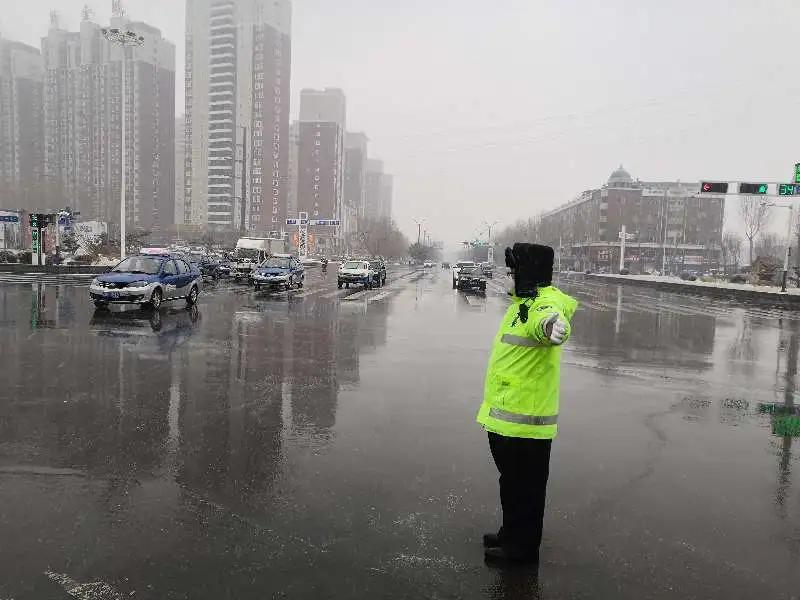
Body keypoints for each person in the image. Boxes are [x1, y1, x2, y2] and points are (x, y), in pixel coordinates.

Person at [476, 243, 578, 566]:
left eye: (514, 271)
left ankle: (522, 549)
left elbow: (547, 320)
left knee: (527, 491)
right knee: (512, 485)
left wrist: (552, 328)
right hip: (510, 421)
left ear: (528, 273)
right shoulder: (523, 301)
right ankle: (511, 534)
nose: (509, 276)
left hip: (528, 424)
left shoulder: (543, 302)